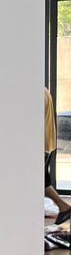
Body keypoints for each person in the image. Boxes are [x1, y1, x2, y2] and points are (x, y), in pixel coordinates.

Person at [45, 86, 70, 225]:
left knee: (40, 180)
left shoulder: (36, 93)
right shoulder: (44, 92)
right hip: (46, 142)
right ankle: (63, 206)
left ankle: (63, 206)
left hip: (40, 144)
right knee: (42, 179)